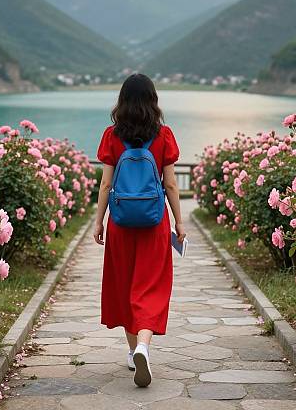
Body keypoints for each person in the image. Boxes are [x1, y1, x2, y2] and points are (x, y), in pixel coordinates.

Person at [93, 73, 186, 388]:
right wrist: (179, 222)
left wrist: (98, 221)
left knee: (125, 284)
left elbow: (106, 183)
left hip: (120, 223)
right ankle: (145, 345)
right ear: (152, 100)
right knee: (151, 285)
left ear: (122, 101)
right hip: (154, 224)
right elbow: (170, 184)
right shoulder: (163, 135)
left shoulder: (111, 135)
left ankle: (134, 352)